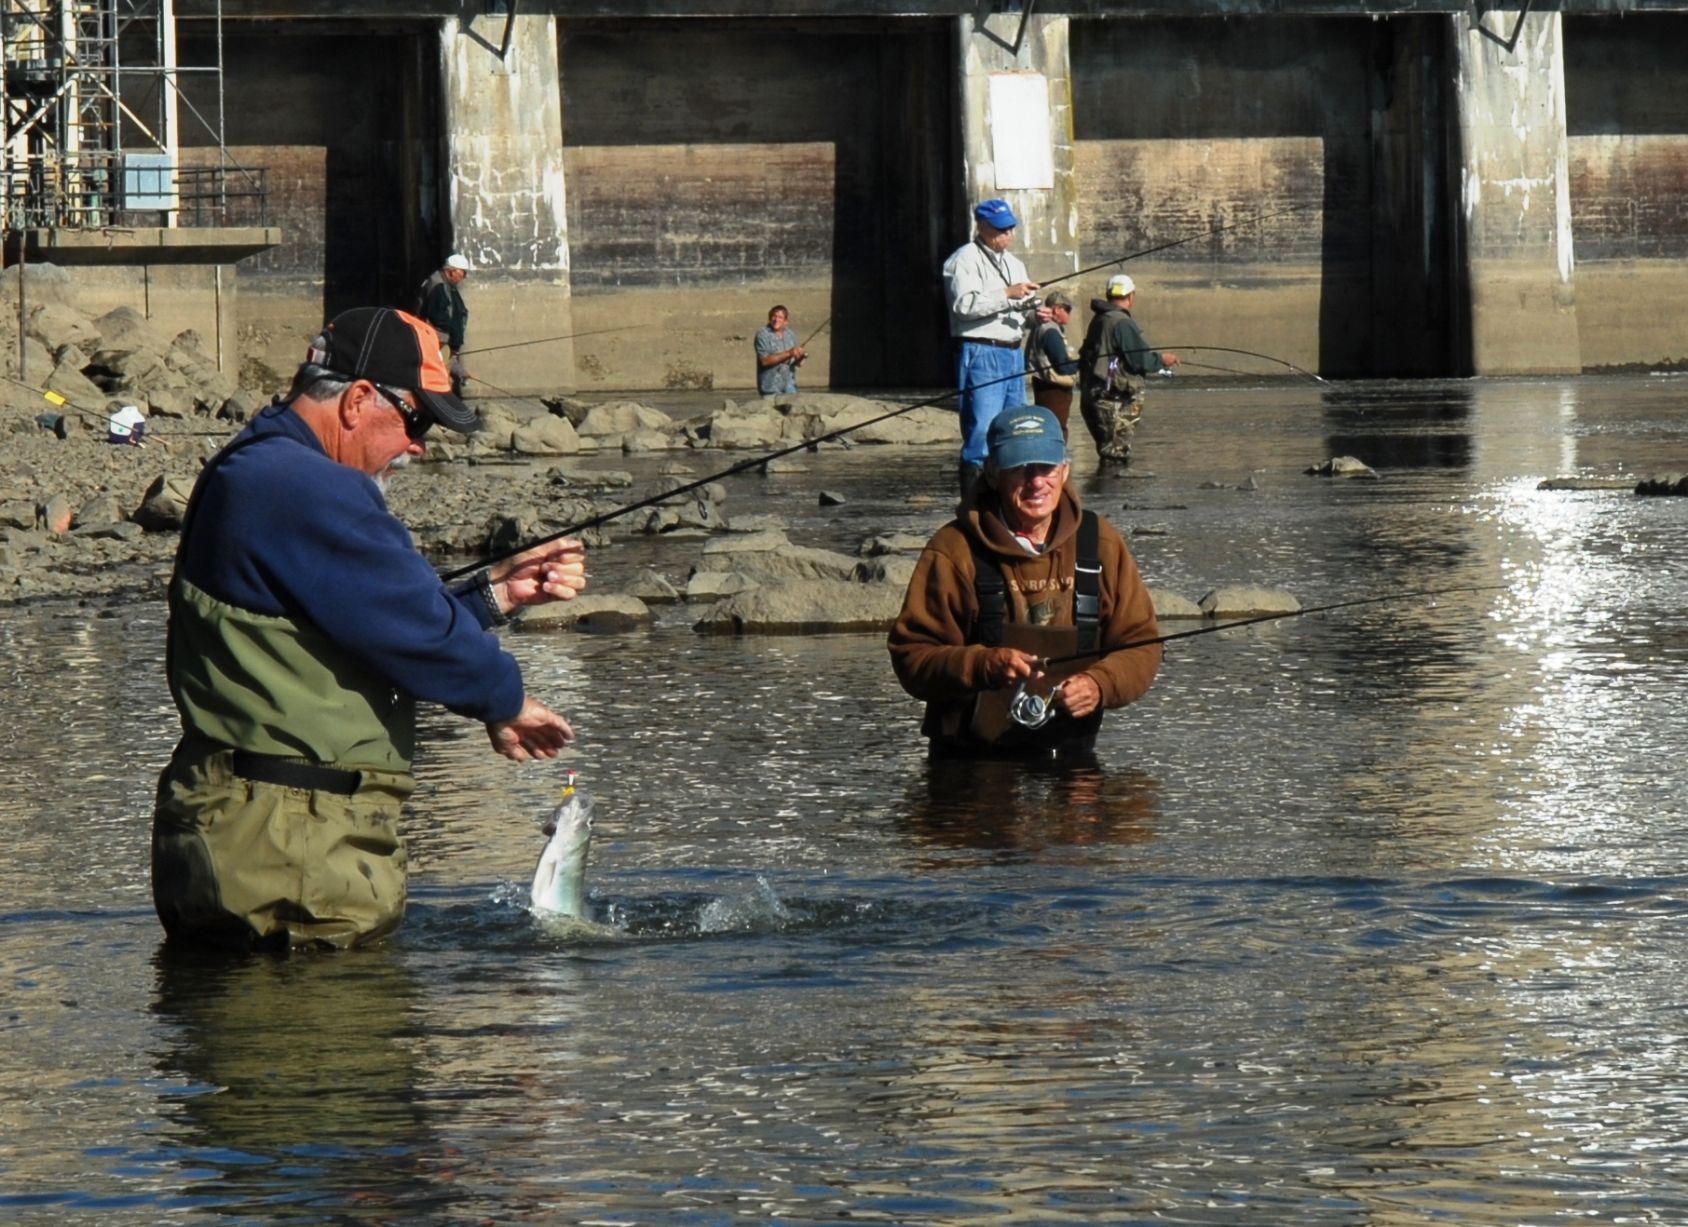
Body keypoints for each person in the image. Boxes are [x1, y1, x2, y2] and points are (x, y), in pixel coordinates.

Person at [150, 305, 588, 953]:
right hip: (288, 862)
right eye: (416, 421)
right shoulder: (304, 485)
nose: (418, 445)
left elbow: (368, 628)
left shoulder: (264, 470)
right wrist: (505, 698)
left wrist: (494, 594)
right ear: (358, 398)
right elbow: (410, 625)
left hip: (263, 844)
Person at [888, 404, 1162, 759]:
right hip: (967, 768)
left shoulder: (1102, 543)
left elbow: (1142, 643)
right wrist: (982, 665)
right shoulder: (952, 550)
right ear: (992, 473)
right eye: (1019, 468)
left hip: (1072, 767)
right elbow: (912, 658)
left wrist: (1100, 684)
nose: (1036, 482)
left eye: (1046, 467)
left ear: (1064, 471)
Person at [942, 197, 1048, 507]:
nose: (1008, 236)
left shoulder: (1015, 264)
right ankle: (973, 508)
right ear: (983, 227)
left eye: (1011, 229)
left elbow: (1021, 312)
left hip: (1013, 353)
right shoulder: (963, 261)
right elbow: (964, 307)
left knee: (1014, 428)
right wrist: (1006, 294)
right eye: (1002, 230)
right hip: (981, 352)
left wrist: (1035, 315)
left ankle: (1007, 503)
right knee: (982, 432)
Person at [1078, 273, 1179, 462]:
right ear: (1131, 296)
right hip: (1115, 398)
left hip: (1093, 396)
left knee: (1108, 452)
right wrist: (1162, 359)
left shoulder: (1099, 319)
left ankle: (1105, 488)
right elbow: (1139, 360)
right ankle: (1113, 489)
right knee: (1116, 453)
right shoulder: (1121, 322)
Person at [1024, 289, 1079, 437]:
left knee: (1046, 427)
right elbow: (1062, 366)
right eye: (1067, 309)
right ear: (1057, 309)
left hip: (1043, 384)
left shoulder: (1042, 326)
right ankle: (1056, 458)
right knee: (1056, 429)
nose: (1070, 314)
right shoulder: (1050, 330)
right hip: (1053, 388)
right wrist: (1083, 364)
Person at [417, 253, 471, 394]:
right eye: (463, 273)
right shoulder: (438, 286)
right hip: (439, 341)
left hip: (445, 342)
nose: (463, 278)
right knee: (441, 377)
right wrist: (451, 341)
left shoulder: (448, 286)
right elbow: (440, 318)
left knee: (446, 375)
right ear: (452, 271)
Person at [755, 304, 804, 398]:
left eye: (780, 317)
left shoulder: (790, 334)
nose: (776, 320)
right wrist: (789, 353)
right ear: (769, 318)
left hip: (790, 386)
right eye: (774, 316)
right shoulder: (762, 334)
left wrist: (800, 357)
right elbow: (765, 361)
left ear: (786, 321)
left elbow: (797, 363)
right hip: (770, 389)